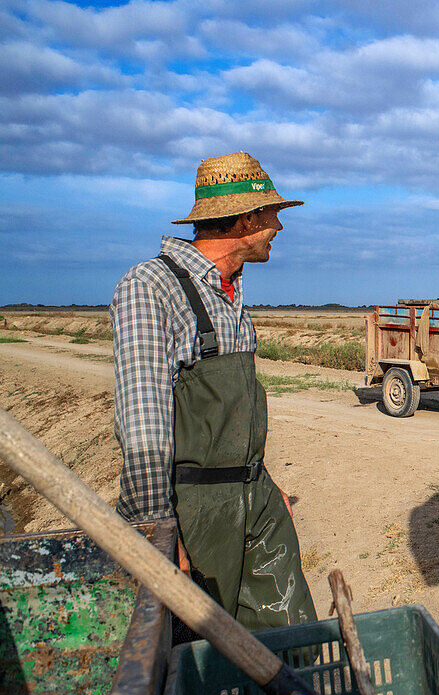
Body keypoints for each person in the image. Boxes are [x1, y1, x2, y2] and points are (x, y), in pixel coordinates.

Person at [110, 151, 316, 631]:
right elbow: (144, 433)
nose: (279, 228)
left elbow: (233, 419)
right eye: (273, 215)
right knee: (192, 656)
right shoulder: (150, 288)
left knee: (292, 641)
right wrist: (158, 537)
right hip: (191, 513)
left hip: (252, 499)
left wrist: (262, 483)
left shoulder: (231, 294)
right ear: (246, 219)